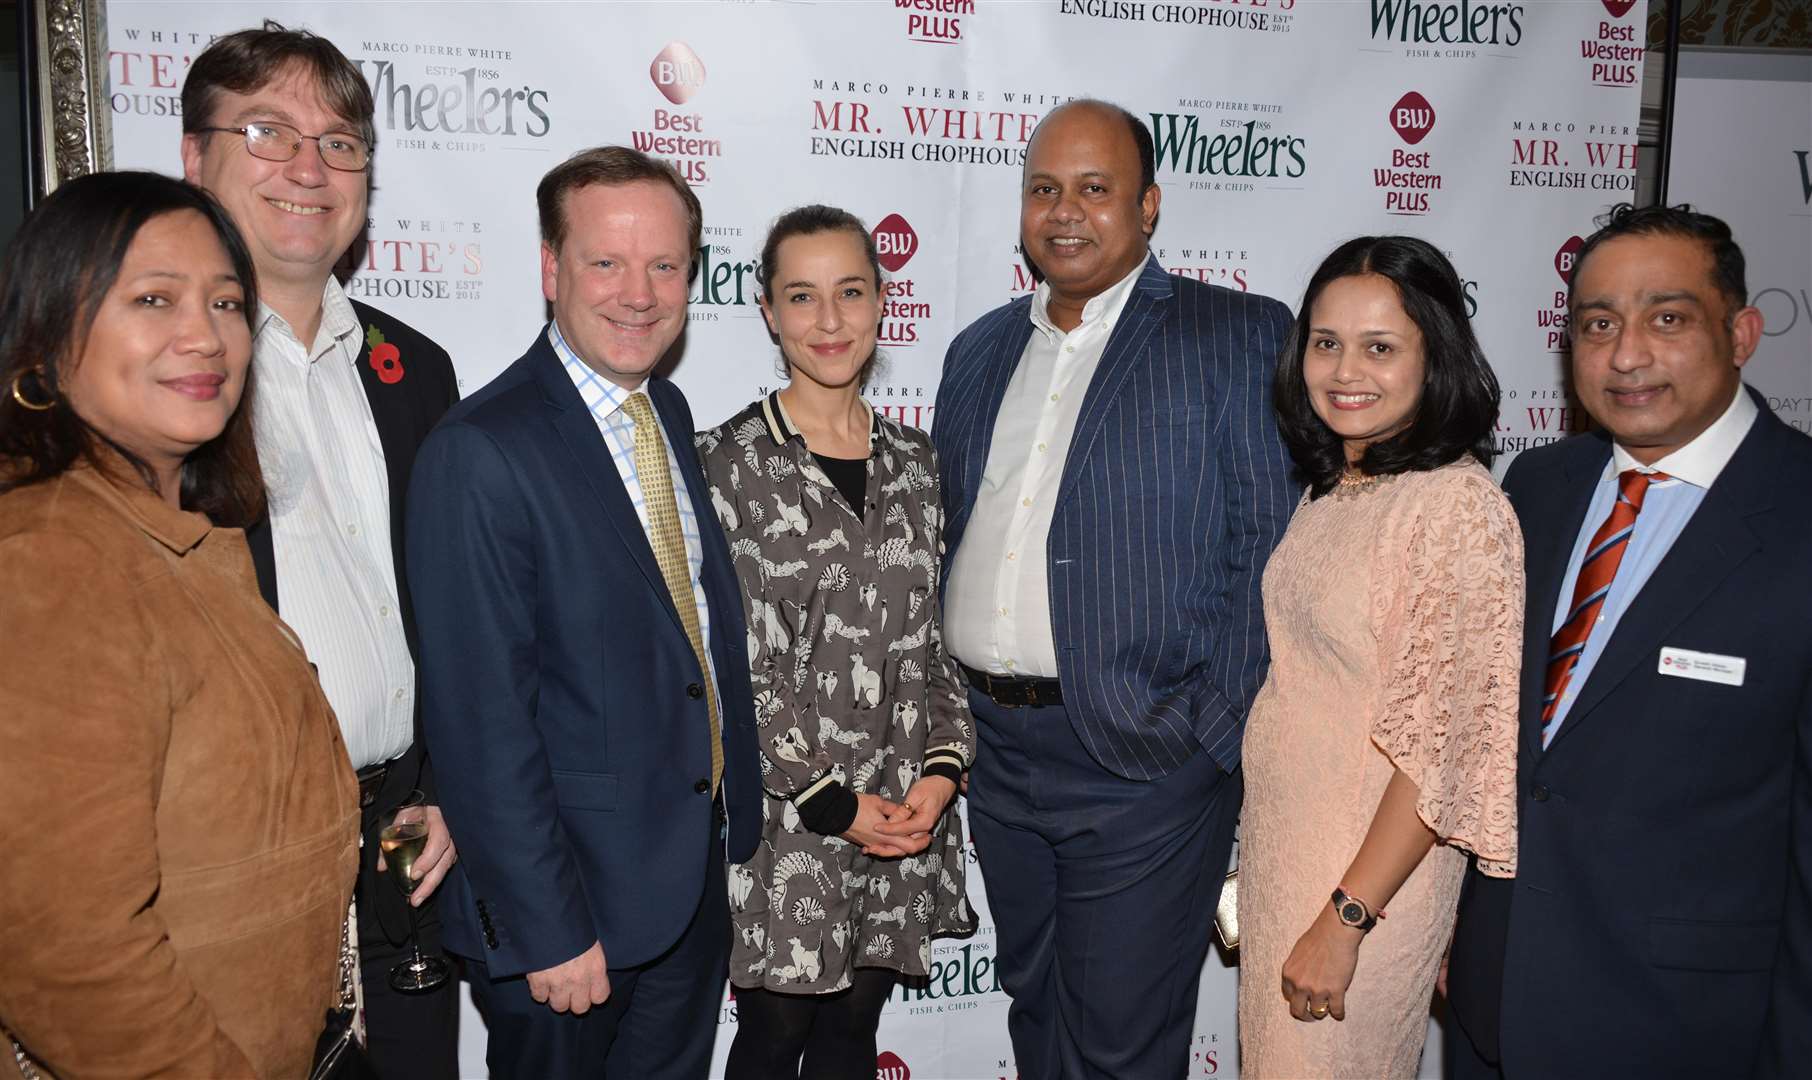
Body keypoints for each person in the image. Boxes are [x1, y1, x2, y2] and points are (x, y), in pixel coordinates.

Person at [930, 98, 1298, 1077]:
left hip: (1142, 761)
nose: (1064, 211)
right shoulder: (976, 353)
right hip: (998, 756)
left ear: (1149, 205)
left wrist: (1204, 731)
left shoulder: (1237, 337)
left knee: (1120, 1046)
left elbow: (1272, 545)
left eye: (1094, 189)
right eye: (1043, 188)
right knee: (1037, 1016)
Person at [407, 146, 761, 1079]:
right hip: (569, 924)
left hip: (683, 893)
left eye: (665, 266)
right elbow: (480, 722)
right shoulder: (483, 448)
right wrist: (547, 929)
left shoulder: (667, 412)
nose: (638, 293)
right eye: (606, 262)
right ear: (550, 268)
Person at [0, 171, 358, 1076]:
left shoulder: (174, 536)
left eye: (228, 302)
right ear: (47, 333)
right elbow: (66, 952)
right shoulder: (47, 556)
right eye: (153, 299)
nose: (206, 336)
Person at [1446, 204, 1812, 1078]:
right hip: (1492, 1011)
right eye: (1598, 324)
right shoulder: (1539, 484)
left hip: (1684, 1031)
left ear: (1744, 331)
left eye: (1669, 318)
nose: (1626, 354)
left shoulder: (1799, 513)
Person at [178, 25, 463, 1075]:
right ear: (192, 158)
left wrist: (450, 790)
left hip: (406, 857)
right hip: (233, 869)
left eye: (340, 143)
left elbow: (457, 612)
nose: (309, 167)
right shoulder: (153, 376)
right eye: (268, 132)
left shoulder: (416, 371)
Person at [697, 205, 977, 1079]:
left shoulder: (918, 463)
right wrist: (830, 802)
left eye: (850, 292)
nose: (829, 321)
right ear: (768, 312)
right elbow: (732, 661)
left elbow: (932, 642)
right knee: (775, 1037)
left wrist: (941, 773)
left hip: (903, 814)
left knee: (855, 1033)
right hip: (792, 823)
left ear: (882, 300)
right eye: (803, 296)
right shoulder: (724, 461)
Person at [1234, 235, 1522, 1076]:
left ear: (1436, 359)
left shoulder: (1457, 510)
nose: (1345, 369)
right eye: (1326, 343)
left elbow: (1444, 756)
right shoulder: (1339, 486)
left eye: (1380, 347)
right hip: (1291, 852)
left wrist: (1346, 918)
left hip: (1361, 882)